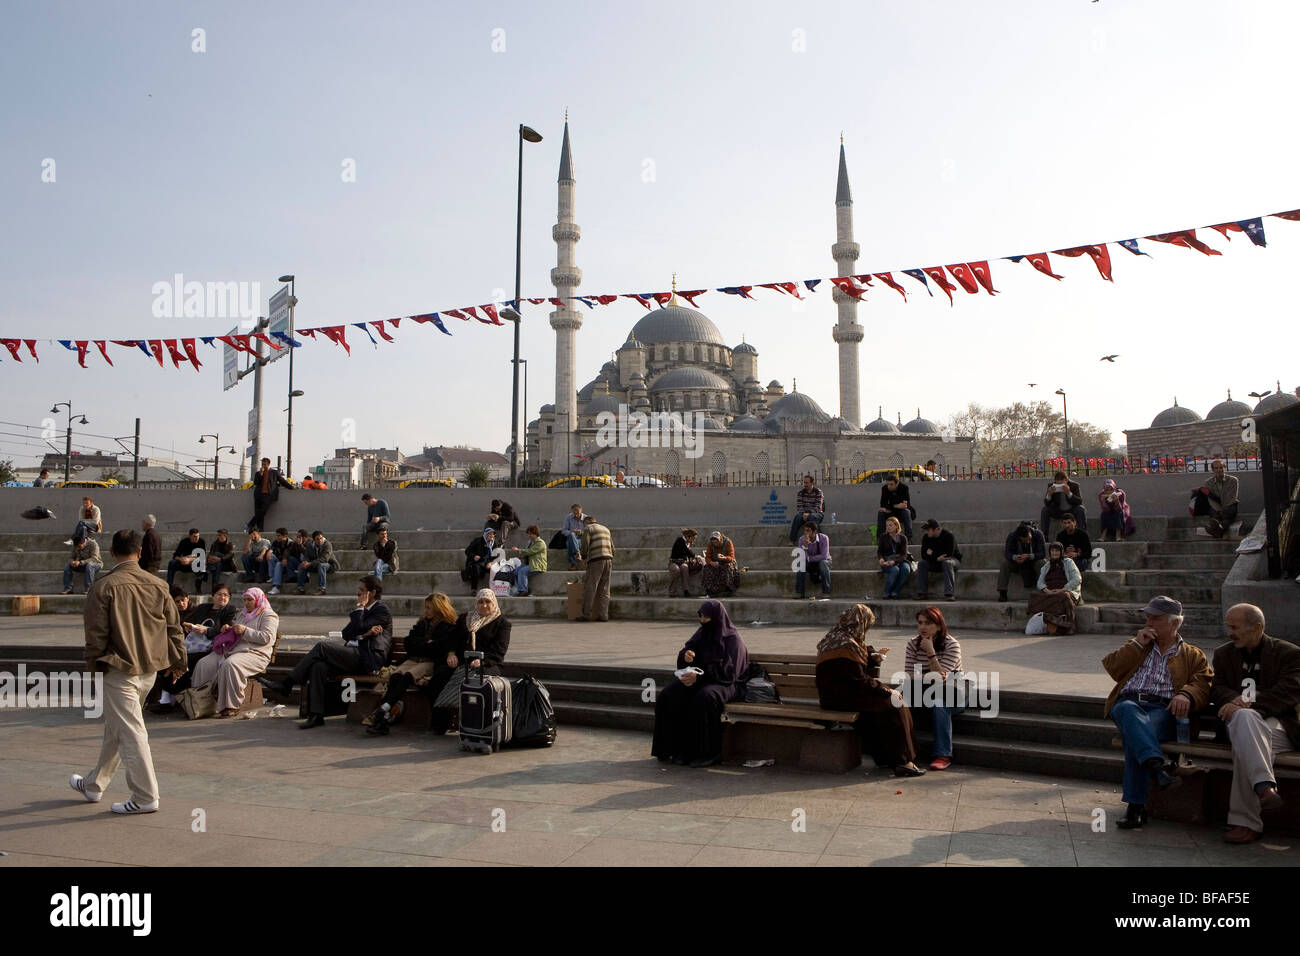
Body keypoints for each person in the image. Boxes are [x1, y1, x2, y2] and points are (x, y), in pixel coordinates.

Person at [70, 529, 184, 814]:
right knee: (117, 728)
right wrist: (179, 661)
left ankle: (145, 796)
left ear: (111, 552)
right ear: (140, 552)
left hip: (119, 667)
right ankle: (94, 784)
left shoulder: (104, 586)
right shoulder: (158, 584)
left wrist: (93, 665)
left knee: (131, 731)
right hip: (150, 668)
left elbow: (95, 634)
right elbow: (173, 627)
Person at [1103, 595, 1212, 830]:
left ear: (1174, 623)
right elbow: (1112, 667)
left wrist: (1187, 694)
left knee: (1137, 736)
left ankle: (1137, 806)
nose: (1149, 623)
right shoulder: (1140, 646)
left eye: (1156, 618)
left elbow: (1204, 683)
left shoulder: (1192, 654)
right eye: (1148, 617)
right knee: (1129, 710)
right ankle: (1156, 767)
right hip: (1128, 703)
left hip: (1162, 709)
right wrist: (1136, 644)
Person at [1210, 604, 1300, 843]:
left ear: (1257, 627)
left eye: (1235, 627)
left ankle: (1246, 820)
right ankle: (1264, 789)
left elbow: (1290, 691)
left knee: (1246, 738)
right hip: (1237, 722)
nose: (1229, 632)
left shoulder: (1288, 653)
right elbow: (1217, 689)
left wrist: (1248, 702)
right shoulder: (1223, 654)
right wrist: (1235, 703)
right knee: (1243, 722)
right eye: (1228, 626)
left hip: (1278, 725)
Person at [260, 574, 393, 728]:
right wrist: (364, 631)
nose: (358, 593)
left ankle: (287, 684)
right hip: (354, 654)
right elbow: (347, 633)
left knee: (322, 646)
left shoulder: (381, 610)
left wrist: (360, 611)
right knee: (319, 666)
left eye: (362, 590)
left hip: (368, 659)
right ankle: (316, 715)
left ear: (372, 593)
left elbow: (357, 628)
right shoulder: (362, 612)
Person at [815, 604, 925, 776]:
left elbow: (849, 670)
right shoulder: (846, 645)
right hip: (844, 698)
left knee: (879, 712)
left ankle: (885, 758)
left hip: (833, 697)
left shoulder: (832, 638)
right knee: (896, 705)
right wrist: (887, 690)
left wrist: (872, 658)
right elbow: (859, 680)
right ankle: (904, 761)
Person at [651, 599, 750, 767]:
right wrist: (686, 656)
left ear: (717, 618)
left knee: (705, 698)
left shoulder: (733, 640)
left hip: (728, 684)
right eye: (701, 616)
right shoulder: (702, 633)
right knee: (669, 694)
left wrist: (701, 678)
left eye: (706, 617)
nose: (703, 621)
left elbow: (730, 673)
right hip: (702, 678)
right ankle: (671, 749)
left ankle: (709, 752)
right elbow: (689, 649)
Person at [362, 592, 463, 736]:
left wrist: (423, 645)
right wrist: (426, 644)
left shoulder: (448, 626)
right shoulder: (422, 623)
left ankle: (383, 711)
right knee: (396, 676)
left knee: (408, 676)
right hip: (414, 659)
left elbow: (438, 649)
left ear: (438, 608)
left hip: (430, 662)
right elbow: (409, 643)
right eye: (426, 608)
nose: (426, 611)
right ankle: (384, 712)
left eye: (429, 608)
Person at [189, 587, 280, 718]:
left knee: (231, 665)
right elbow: (236, 633)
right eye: (245, 600)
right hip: (234, 650)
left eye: (250, 600)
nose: (247, 603)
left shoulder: (268, 615)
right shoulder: (243, 614)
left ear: (258, 599)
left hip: (256, 653)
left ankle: (231, 705)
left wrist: (245, 631)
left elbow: (267, 638)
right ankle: (199, 702)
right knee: (204, 664)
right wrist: (228, 629)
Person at [152, 583, 238, 713]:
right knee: (171, 659)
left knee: (187, 661)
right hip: (193, 645)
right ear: (213, 596)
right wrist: (190, 627)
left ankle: (169, 698)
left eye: (226, 595)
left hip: (211, 648)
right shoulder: (203, 608)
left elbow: (227, 632)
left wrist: (207, 631)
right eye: (219, 594)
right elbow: (187, 622)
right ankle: (167, 698)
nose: (222, 597)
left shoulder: (229, 610)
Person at [903, 608, 966, 770]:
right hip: (924, 689)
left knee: (940, 703)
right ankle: (904, 752)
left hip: (952, 691)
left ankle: (943, 755)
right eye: (920, 623)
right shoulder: (913, 644)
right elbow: (909, 675)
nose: (923, 627)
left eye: (928, 623)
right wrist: (927, 677)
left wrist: (930, 652)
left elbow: (941, 677)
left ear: (939, 626)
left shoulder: (952, 645)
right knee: (899, 701)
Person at [1027, 542, 1083, 634]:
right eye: (1052, 551)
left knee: (1064, 596)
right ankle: (1048, 620)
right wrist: (1047, 590)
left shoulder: (1068, 562)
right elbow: (1040, 582)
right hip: (1050, 592)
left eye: (1057, 551)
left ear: (1061, 552)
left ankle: (1071, 624)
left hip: (1066, 590)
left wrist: (1062, 589)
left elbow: (1077, 579)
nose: (1054, 553)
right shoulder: (1047, 565)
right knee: (1034, 595)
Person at [997, 521, 1045, 602]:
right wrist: (1015, 557)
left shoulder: (1038, 534)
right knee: (1005, 564)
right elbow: (1007, 553)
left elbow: (1042, 553)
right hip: (1018, 562)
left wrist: (1029, 556)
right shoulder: (1012, 536)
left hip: (1033, 560)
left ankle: (1042, 590)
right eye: (1024, 541)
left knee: (1042, 563)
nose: (1027, 542)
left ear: (1030, 533)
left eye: (1029, 539)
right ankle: (1003, 592)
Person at [578, 514, 614, 622]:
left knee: (591, 587)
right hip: (608, 559)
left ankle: (586, 615)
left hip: (596, 559)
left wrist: (583, 558)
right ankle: (604, 615)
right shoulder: (606, 529)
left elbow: (585, 544)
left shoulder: (588, 528)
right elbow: (613, 548)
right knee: (605, 589)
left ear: (586, 522)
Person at [915, 518, 961, 601]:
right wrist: (936, 557)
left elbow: (948, 554)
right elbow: (924, 555)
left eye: (928, 530)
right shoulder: (926, 537)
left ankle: (949, 594)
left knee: (947, 563)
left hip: (953, 560)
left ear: (936, 529)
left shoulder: (948, 536)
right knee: (922, 563)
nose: (926, 532)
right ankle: (922, 593)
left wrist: (932, 553)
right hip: (935, 561)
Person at [248, 457, 293, 532]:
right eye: (262, 464)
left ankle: (251, 524)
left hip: (269, 495)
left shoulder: (274, 472)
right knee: (259, 513)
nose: (263, 466)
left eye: (264, 464)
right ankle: (260, 529)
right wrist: (261, 474)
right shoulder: (258, 473)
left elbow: (282, 481)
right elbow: (256, 482)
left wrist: (291, 487)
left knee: (263, 511)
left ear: (268, 464)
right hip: (258, 495)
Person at [1039, 471, 1086, 541]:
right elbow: (1047, 503)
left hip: (1071, 511)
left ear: (1066, 480)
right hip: (1058, 511)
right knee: (1045, 510)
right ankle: (1044, 537)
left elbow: (1079, 501)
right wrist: (1049, 495)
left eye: (1061, 483)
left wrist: (1069, 493)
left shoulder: (1074, 485)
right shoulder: (1051, 486)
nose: (1059, 486)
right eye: (1057, 483)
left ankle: (1082, 535)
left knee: (1080, 509)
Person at [876, 516, 913, 599]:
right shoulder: (883, 537)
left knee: (906, 570)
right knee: (895, 570)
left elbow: (904, 554)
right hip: (887, 560)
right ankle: (886, 592)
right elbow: (879, 551)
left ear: (896, 526)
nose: (888, 527)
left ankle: (895, 592)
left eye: (890, 525)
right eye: (887, 525)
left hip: (900, 560)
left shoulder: (903, 538)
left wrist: (895, 562)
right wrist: (881, 559)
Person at [1204, 459, 1240, 538]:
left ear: (1225, 468)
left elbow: (1232, 497)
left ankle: (1217, 530)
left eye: (1221, 467)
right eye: (1216, 468)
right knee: (1214, 514)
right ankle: (1219, 530)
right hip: (1216, 507)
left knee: (1227, 514)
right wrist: (1218, 509)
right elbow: (1211, 500)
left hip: (1230, 505)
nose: (1219, 470)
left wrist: (1223, 509)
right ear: (1213, 470)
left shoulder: (1233, 480)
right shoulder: (1208, 483)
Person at [794, 521, 831, 599]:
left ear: (815, 532)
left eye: (808, 531)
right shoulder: (802, 539)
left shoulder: (824, 538)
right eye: (805, 530)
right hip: (810, 563)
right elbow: (801, 557)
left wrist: (809, 558)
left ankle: (826, 592)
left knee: (823, 563)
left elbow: (824, 556)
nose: (805, 533)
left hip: (824, 562)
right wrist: (805, 546)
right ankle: (799, 592)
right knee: (800, 564)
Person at [295, 530, 338, 595]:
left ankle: (322, 589)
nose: (320, 540)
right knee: (301, 565)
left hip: (329, 565)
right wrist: (305, 562)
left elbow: (325, 559)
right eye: (317, 539)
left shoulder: (327, 544)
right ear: (314, 540)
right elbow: (306, 556)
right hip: (315, 565)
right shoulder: (310, 545)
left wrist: (310, 563)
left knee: (322, 565)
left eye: (321, 538)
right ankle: (300, 588)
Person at [702, 530, 739, 598]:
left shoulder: (728, 542)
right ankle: (710, 590)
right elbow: (707, 557)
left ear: (720, 539)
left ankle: (727, 589)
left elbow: (731, 557)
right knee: (707, 568)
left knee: (727, 567)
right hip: (715, 562)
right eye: (713, 541)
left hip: (727, 562)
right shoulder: (710, 545)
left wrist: (724, 558)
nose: (715, 543)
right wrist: (711, 562)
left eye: (716, 541)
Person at [510, 524, 545, 596]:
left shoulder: (540, 543)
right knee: (515, 571)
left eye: (531, 534)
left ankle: (523, 591)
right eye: (528, 534)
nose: (529, 536)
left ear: (536, 533)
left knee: (522, 571)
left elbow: (530, 551)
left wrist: (519, 550)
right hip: (529, 564)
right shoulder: (530, 542)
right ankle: (524, 588)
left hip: (537, 565)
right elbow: (526, 552)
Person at [790, 474, 826, 544]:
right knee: (797, 518)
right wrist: (804, 514)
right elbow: (799, 507)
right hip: (804, 514)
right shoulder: (800, 493)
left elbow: (818, 507)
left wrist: (808, 513)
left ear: (812, 483)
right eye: (804, 482)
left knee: (812, 518)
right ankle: (792, 540)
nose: (805, 484)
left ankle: (820, 540)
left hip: (817, 514)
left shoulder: (818, 492)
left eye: (807, 483)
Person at [668, 528, 703, 598]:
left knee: (685, 568)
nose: (694, 540)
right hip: (674, 562)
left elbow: (687, 554)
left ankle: (686, 590)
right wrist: (695, 556)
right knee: (676, 570)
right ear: (688, 537)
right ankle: (672, 591)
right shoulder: (680, 540)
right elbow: (687, 551)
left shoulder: (688, 543)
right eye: (693, 538)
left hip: (682, 562)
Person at [876, 474, 913, 539]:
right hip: (890, 513)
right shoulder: (884, 488)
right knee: (881, 513)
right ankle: (880, 538)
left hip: (900, 512)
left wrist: (890, 507)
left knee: (906, 512)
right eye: (888, 484)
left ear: (897, 483)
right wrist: (896, 506)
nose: (889, 486)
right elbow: (883, 504)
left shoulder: (904, 488)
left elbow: (906, 505)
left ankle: (908, 538)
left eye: (891, 484)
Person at [266, 527, 300, 596]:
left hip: (288, 564)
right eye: (277, 535)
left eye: (279, 536)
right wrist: (269, 552)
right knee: (271, 556)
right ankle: (272, 576)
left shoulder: (291, 543)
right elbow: (272, 548)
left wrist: (284, 558)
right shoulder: (276, 542)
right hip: (281, 562)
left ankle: (276, 586)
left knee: (278, 564)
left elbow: (287, 552)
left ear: (285, 536)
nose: (277, 537)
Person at [463, 528, 497, 594]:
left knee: (495, 569)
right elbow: (467, 551)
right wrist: (474, 556)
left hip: (487, 564)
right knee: (475, 568)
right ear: (486, 534)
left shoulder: (493, 544)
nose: (492, 535)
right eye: (490, 534)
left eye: (493, 534)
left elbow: (496, 555)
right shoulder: (478, 541)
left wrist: (491, 563)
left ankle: (495, 589)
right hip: (478, 562)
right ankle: (474, 589)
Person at [205, 528, 236, 592]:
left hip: (227, 565)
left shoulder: (230, 544)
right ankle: (214, 587)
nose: (218, 537)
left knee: (217, 554)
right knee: (217, 564)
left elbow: (231, 555)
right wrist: (209, 559)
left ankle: (210, 568)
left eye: (220, 535)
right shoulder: (214, 544)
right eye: (218, 535)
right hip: (217, 564)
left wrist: (220, 559)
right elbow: (211, 555)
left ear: (225, 536)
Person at [560, 503, 585, 569]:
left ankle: (573, 564)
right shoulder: (568, 517)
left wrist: (581, 533)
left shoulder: (586, 518)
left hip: (582, 539)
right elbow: (564, 531)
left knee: (570, 544)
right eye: (574, 513)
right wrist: (573, 532)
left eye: (578, 512)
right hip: (571, 538)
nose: (576, 514)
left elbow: (590, 530)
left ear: (581, 510)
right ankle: (578, 554)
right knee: (571, 537)